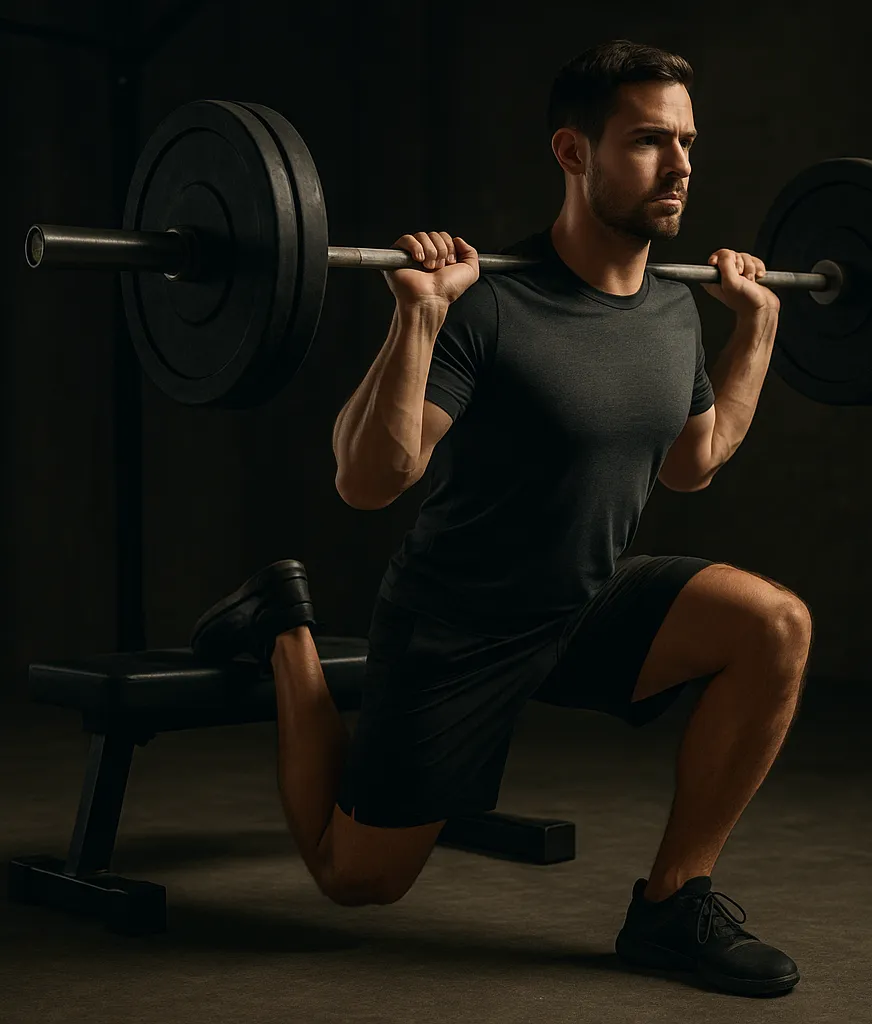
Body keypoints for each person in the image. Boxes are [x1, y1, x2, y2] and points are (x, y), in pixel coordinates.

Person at [190, 39, 812, 999]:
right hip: (461, 628)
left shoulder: (673, 313)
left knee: (775, 624)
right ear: (573, 152)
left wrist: (758, 329)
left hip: (585, 602)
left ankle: (671, 905)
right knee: (356, 880)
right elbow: (369, 480)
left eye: (688, 141)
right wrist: (419, 318)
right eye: (650, 141)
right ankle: (284, 627)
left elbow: (693, 463)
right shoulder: (491, 305)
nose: (682, 165)